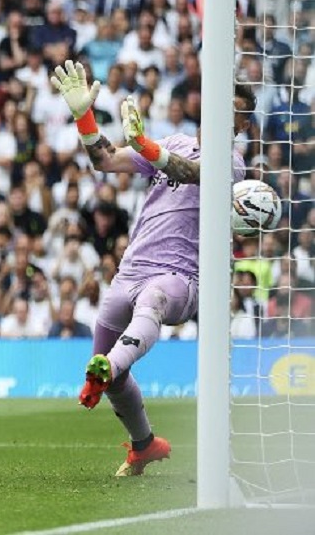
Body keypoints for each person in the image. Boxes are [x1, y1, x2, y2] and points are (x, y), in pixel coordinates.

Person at [49, 60, 253, 476]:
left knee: (152, 304)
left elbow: (194, 174)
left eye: (235, 111)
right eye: (220, 104)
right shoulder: (175, 142)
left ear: (243, 124)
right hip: (131, 270)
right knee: (107, 370)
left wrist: (146, 145)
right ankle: (143, 445)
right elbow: (104, 160)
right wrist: (83, 116)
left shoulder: (232, 165)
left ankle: (112, 365)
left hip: (181, 278)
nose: (224, 115)